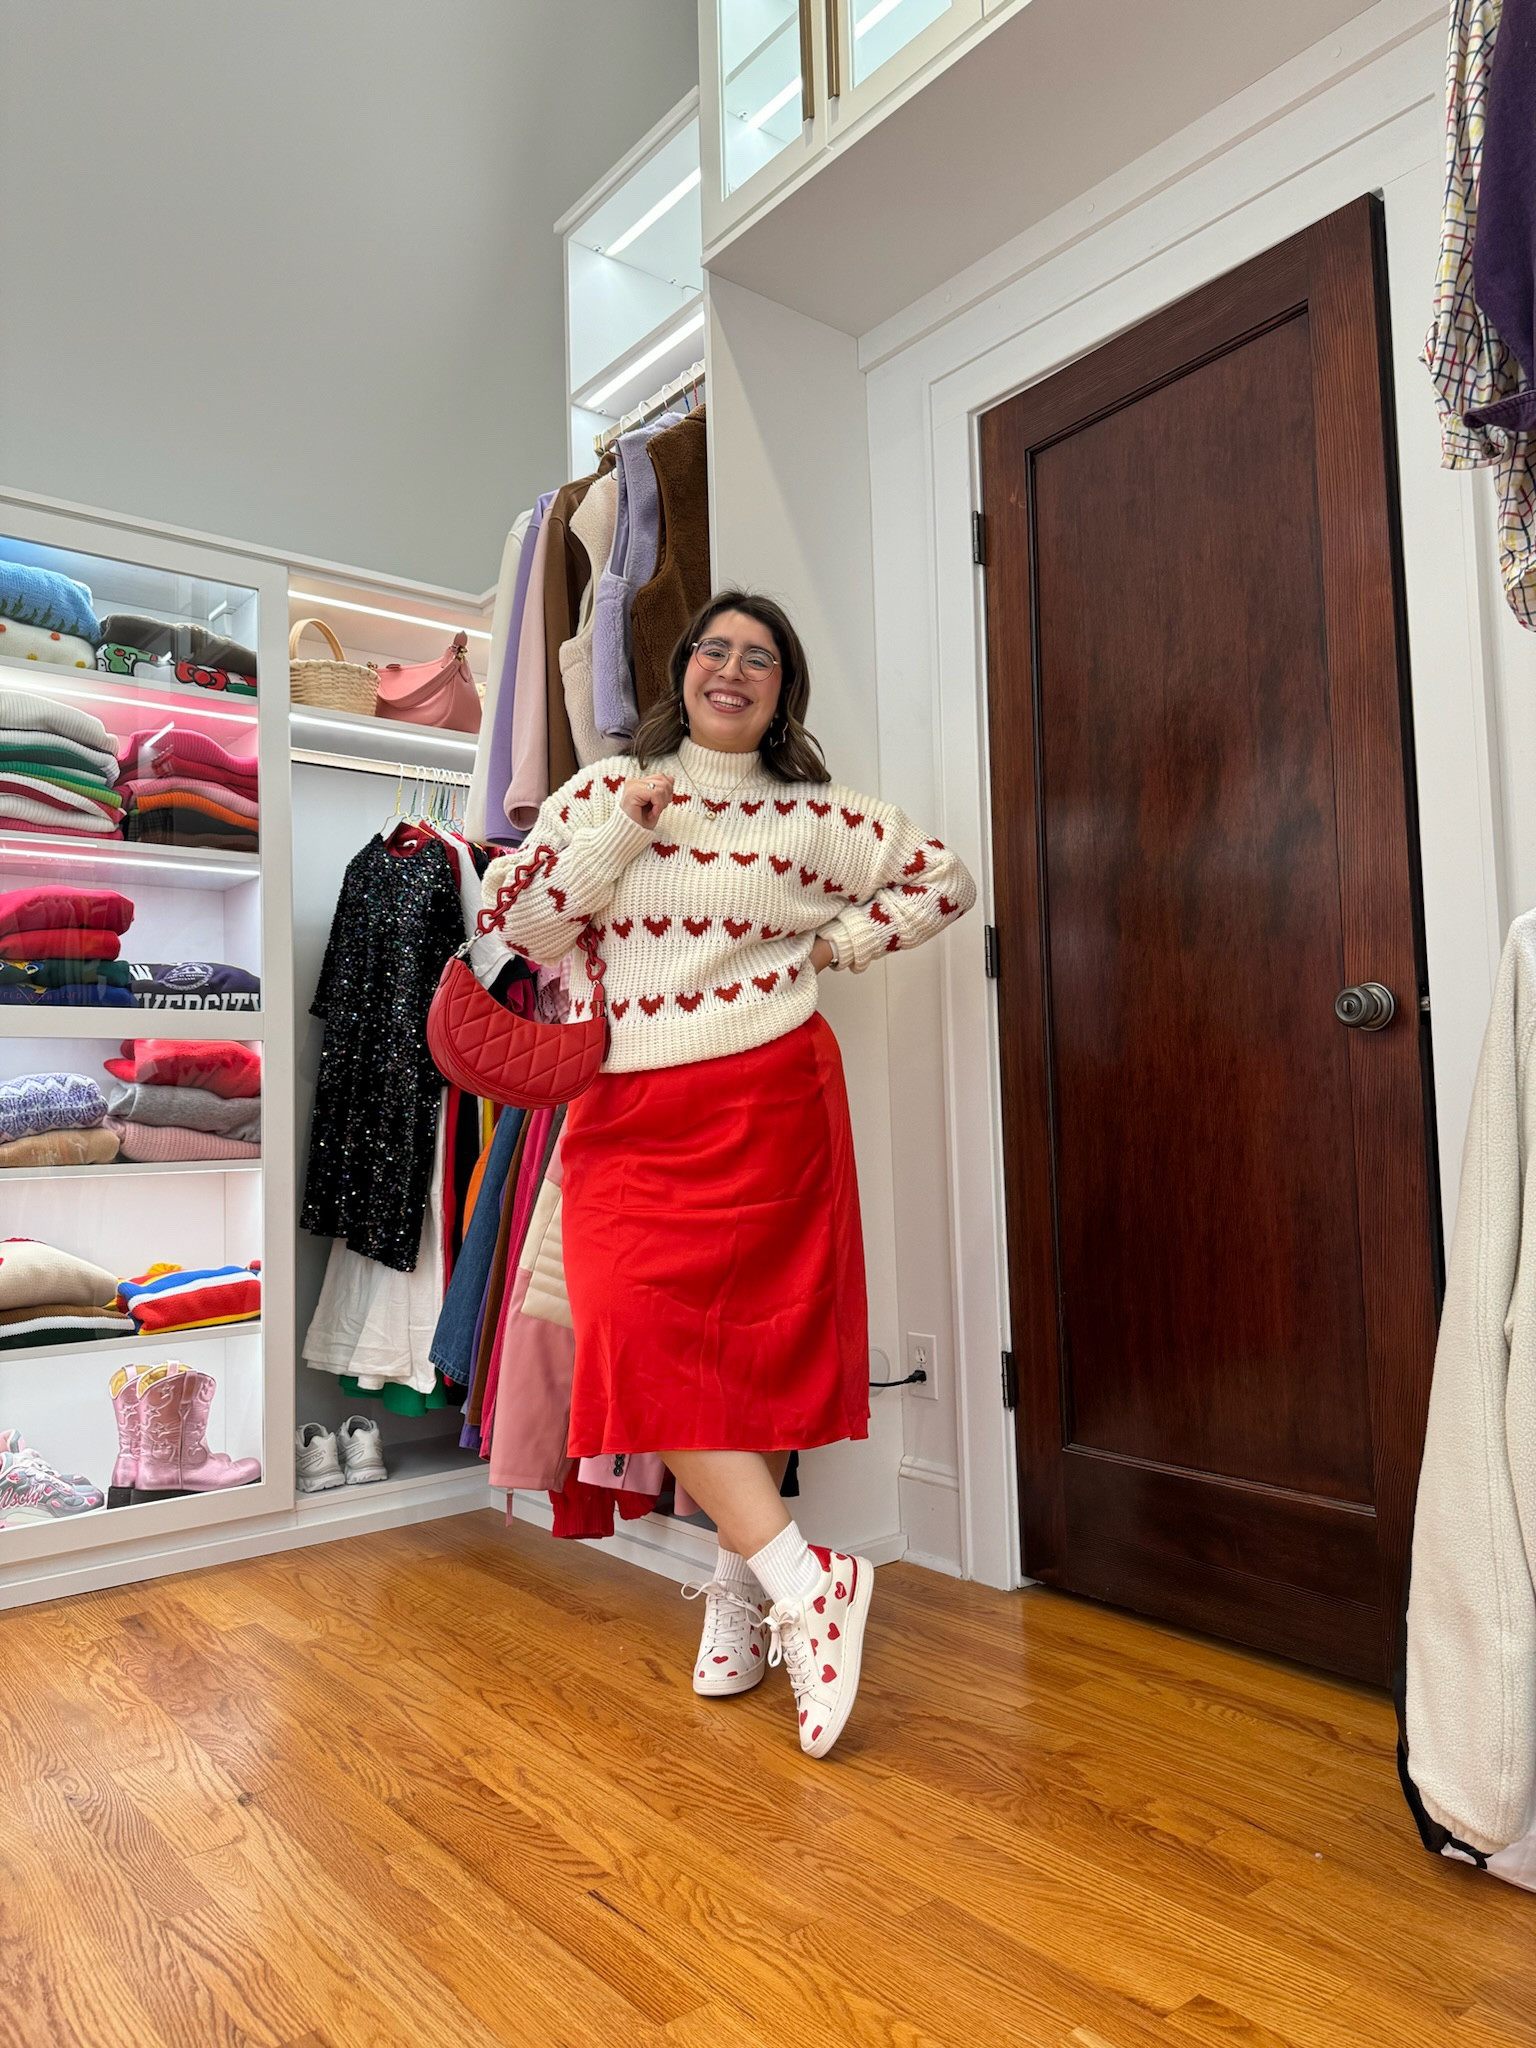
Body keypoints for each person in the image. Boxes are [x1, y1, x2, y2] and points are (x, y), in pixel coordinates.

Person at [484, 590, 975, 1758]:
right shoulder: (607, 789)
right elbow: (522, 925)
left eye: (763, 658)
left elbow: (944, 879)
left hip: (768, 1095)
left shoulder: (819, 814)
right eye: (718, 649)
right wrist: (623, 832)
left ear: (782, 687)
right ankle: (810, 1583)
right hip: (627, 1101)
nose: (736, 670)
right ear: (683, 666)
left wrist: (838, 943)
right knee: (641, 1338)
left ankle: (737, 1592)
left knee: (747, 1349)